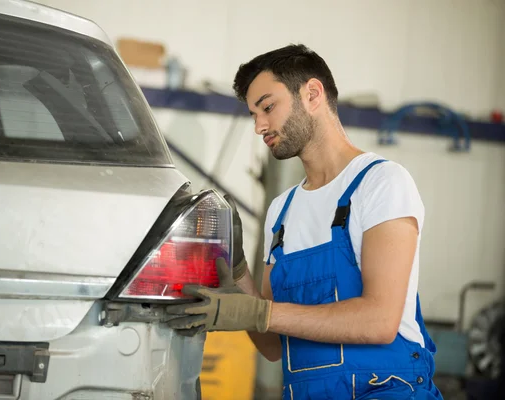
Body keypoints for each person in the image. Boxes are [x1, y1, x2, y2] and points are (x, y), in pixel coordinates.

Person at [165, 44, 443, 400]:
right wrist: (238, 275)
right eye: (253, 115)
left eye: (267, 107)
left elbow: (380, 321)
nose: (259, 126)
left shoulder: (381, 183)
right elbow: (273, 347)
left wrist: (260, 312)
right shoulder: (282, 212)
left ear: (312, 94)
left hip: (387, 390)